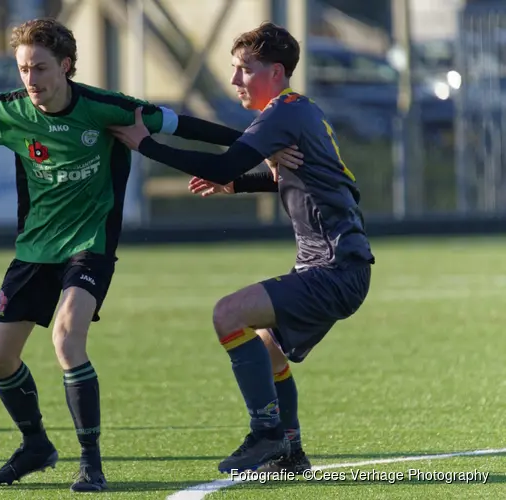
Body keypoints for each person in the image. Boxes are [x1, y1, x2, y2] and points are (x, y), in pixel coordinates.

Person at [0, 17, 303, 491]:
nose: (31, 79)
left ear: (66, 66)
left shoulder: (106, 109)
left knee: (67, 339)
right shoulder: (6, 113)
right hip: (34, 249)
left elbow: (184, 125)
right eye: (24, 69)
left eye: (41, 68)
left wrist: (259, 147)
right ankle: (36, 445)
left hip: (89, 246)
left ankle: (91, 462)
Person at [109, 21, 375, 474]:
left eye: (244, 70)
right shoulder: (298, 112)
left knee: (227, 314)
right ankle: (290, 452)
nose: (235, 80)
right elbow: (323, 183)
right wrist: (240, 185)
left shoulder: (284, 114)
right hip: (336, 266)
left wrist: (146, 145)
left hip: (334, 269)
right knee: (267, 350)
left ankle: (266, 433)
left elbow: (224, 162)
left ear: (276, 71)